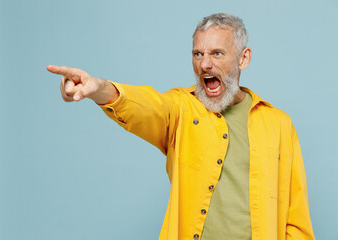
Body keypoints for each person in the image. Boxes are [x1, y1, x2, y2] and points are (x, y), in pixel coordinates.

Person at [47, 13, 315, 240]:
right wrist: (100, 89)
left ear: (243, 58)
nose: (204, 64)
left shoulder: (278, 124)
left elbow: (297, 217)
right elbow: (145, 105)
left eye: (216, 53)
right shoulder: (181, 110)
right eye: (197, 54)